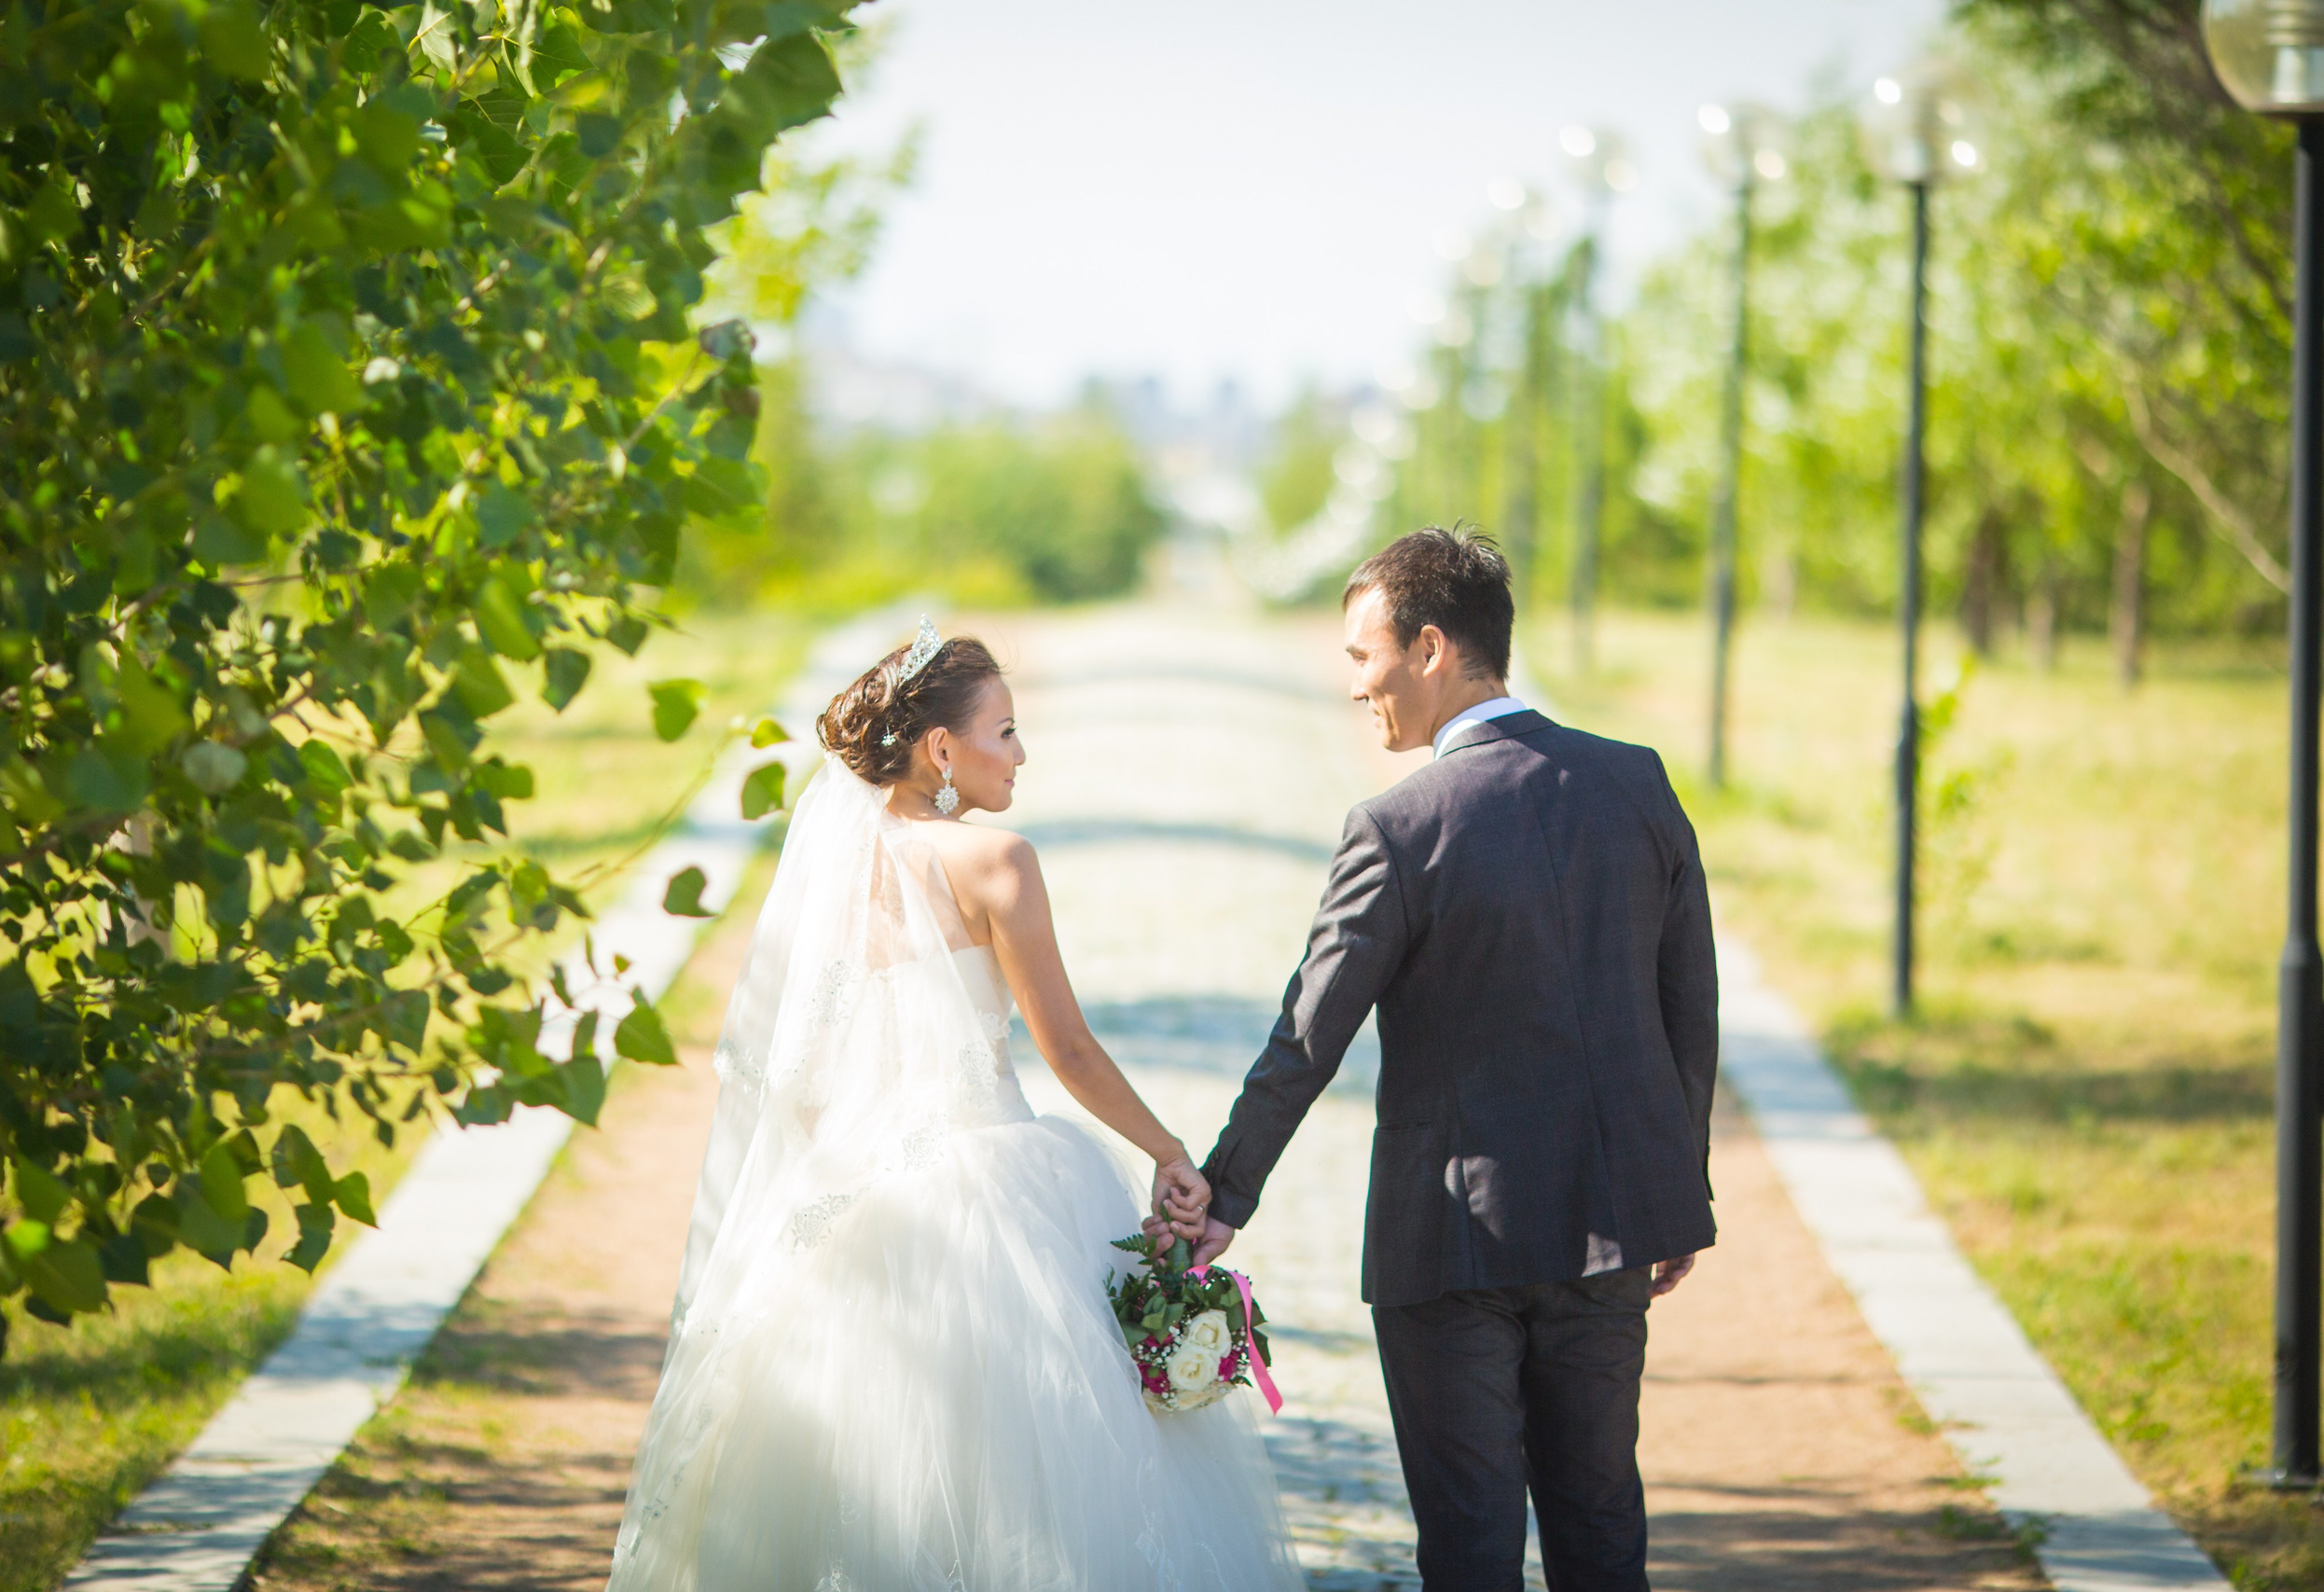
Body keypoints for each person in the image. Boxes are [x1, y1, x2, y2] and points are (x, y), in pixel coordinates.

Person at [605, 621, 1302, 1592]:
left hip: (856, 1193)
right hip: (996, 1185)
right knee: (1041, 1480)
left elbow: (800, 1075)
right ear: (941, 747)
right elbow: (1068, 1048)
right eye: (1004, 731)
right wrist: (1169, 1148)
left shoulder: (835, 873)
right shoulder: (997, 861)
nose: (1020, 753)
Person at [1191, 528, 1719, 1592]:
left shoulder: (1398, 827)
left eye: (1363, 655)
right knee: (1601, 1527)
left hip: (1451, 1248)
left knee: (1471, 1547)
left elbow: (1308, 1034)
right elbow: (1687, 1006)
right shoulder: (1636, 782)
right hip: (1613, 1226)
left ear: (1430, 647)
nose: (1355, 684)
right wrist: (1675, 1187)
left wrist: (1224, 1193)